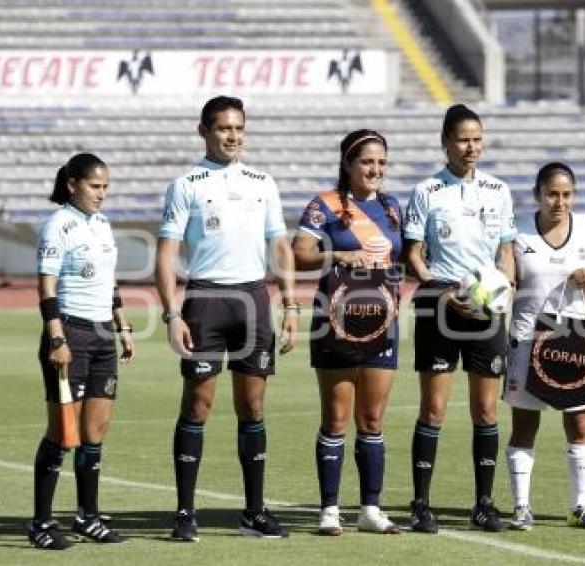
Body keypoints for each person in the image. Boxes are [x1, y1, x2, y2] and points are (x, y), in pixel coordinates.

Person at [155, 95, 298, 541]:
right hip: (205, 300)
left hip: (253, 300)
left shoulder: (262, 182)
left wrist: (291, 302)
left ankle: (254, 513)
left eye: (239, 128)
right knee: (197, 405)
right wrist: (171, 312)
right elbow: (166, 254)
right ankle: (184, 513)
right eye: (223, 128)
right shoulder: (187, 185)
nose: (233, 136)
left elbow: (279, 245)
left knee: (252, 406)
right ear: (204, 130)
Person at [403, 104, 517, 533]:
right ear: (446, 142)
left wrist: (504, 288)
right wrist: (442, 290)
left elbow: (505, 251)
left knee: (486, 410)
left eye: (477, 139)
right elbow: (412, 254)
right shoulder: (427, 191)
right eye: (463, 140)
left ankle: (484, 503)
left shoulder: (498, 190)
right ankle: (420, 503)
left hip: (486, 311)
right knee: (433, 409)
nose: (472, 147)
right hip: (440, 306)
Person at [292, 129, 402, 536]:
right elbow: (298, 254)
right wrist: (339, 254)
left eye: (381, 163)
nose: (375, 170)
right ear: (348, 164)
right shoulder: (325, 206)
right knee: (336, 418)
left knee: (372, 418)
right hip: (334, 323)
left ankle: (370, 509)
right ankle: (330, 510)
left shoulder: (393, 208)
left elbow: (405, 259)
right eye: (367, 162)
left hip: (382, 323)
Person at [503, 162, 585, 531]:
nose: (560, 201)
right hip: (526, 339)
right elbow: (503, 282)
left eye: (567, 194)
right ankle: (522, 507)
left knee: (580, 423)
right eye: (552, 193)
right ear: (538, 194)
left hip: (575, 341)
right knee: (524, 426)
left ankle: (579, 508)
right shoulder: (517, 234)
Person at [30, 152, 135, 549]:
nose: (101, 194)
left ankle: (87, 516)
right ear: (73, 184)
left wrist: (123, 327)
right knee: (63, 433)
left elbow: (110, 282)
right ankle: (40, 523)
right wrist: (56, 338)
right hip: (69, 334)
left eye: (106, 187)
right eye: (95, 186)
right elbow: (46, 287)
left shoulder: (103, 224)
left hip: (102, 336)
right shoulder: (58, 225)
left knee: (95, 432)